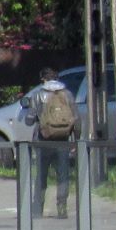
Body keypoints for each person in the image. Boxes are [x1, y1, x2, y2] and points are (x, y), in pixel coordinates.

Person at [20, 68, 75, 219]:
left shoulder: (38, 95)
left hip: (43, 140)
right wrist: (75, 140)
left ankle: (38, 208)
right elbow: (76, 119)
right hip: (63, 140)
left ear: (43, 79)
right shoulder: (67, 94)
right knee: (63, 175)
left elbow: (29, 120)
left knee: (41, 175)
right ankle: (62, 207)